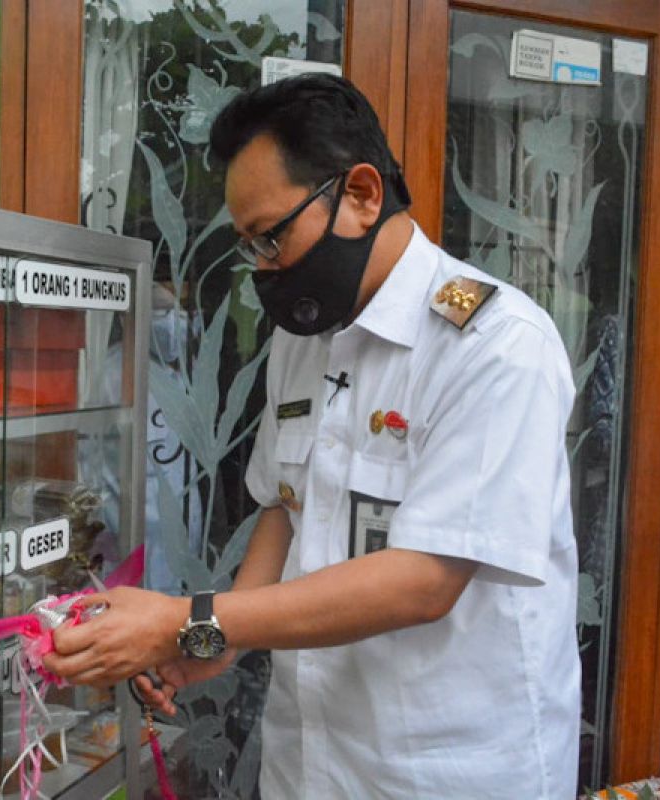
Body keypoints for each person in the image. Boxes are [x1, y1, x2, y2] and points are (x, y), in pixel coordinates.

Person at [44, 73, 580, 798]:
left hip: (445, 767)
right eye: (250, 248)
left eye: (272, 237)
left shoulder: (493, 343)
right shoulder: (307, 338)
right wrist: (210, 641)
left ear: (360, 194)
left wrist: (180, 619)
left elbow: (425, 581)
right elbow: (284, 508)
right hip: (314, 755)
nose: (264, 268)